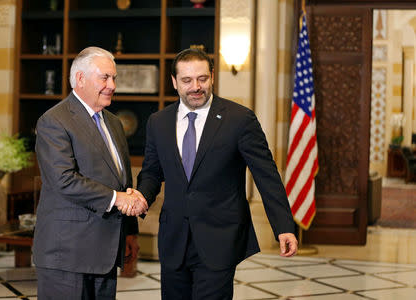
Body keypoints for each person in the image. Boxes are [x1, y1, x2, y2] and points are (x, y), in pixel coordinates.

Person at [135, 48, 298, 300]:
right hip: (174, 239)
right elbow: (152, 172)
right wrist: (142, 196)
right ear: (174, 82)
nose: (195, 87)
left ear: (212, 76)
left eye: (202, 78)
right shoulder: (158, 122)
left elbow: (266, 175)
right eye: (187, 80)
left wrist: (284, 226)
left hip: (219, 238)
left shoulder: (239, 119)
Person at [33, 46, 147, 299]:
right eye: (104, 77)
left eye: (114, 78)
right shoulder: (54, 120)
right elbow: (63, 180)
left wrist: (129, 232)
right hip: (67, 255)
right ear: (80, 79)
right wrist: (119, 199)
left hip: (106, 252)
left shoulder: (115, 123)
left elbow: (123, 180)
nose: (112, 85)